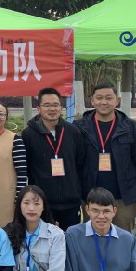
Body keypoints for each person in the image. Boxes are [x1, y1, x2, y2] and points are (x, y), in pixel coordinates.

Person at [74, 82, 136, 232]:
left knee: (122, 238)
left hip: (123, 197)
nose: (104, 102)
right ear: (92, 101)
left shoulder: (129, 126)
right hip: (90, 196)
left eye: (109, 98)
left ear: (117, 100)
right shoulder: (80, 127)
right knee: (93, 238)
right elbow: (76, 162)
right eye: (99, 98)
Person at [22, 88, 85, 230]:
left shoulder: (73, 131)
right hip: (42, 203)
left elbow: (80, 163)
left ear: (61, 107)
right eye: (47, 105)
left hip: (71, 202)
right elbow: (28, 168)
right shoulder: (28, 135)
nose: (52, 109)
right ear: (38, 108)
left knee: (69, 239)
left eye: (56, 105)